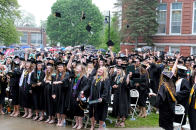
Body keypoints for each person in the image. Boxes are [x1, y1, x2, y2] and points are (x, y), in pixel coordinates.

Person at [149, 54, 180, 130]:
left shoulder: (163, 86)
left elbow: (160, 98)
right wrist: (176, 60)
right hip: (171, 109)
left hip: (165, 110)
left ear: (162, 77)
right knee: (170, 126)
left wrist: (154, 97)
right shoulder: (171, 84)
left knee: (167, 127)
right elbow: (172, 71)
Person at [68, 63, 88, 130]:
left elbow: (85, 88)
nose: (77, 68)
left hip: (79, 96)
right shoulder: (75, 76)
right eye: (77, 67)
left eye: (79, 67)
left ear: (82, 69)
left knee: (79, 111)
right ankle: (76, 123)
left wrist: (79, 96)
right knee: (75, 110)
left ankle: (80, 124)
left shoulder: (84, 78)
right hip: (73, 95)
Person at [52, 62, 70, 126]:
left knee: (62, 108)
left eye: (61, 67)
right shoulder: (55, 75)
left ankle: (63, 120)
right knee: (57, 107)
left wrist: (59, 82)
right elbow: (53, 85)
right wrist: (53, 93)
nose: (60, 68)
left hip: (63, 94)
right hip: (57, 93)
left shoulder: (66, 74)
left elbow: (65, 80)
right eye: (59, 67)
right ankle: (58, 120)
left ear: (64, 68)